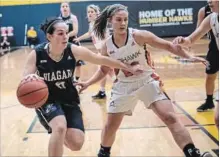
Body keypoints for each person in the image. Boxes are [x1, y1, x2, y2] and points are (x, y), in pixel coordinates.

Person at [76, 4, 212, 157]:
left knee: (170, 117)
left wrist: (188, 56)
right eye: (119, 20)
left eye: (125, 20)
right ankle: (103, 153)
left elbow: (168, 46)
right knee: (110, 126)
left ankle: (193, 153)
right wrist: (87, 84)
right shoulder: (106, 46)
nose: (122, 23)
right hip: (123, 86)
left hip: (147, 80)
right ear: (110, 21)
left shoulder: (139, 35)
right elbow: (103, 70)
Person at [21, 17, 143, 157]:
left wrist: (127, 67)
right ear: (49, 36)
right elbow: (25, 78)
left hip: (69, 98)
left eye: (66, 33)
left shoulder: (73, 50)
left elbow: (100, 59)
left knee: (76, 144)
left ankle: (56, 132)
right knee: (60, 127)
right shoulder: (37, 54)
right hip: (48, 99)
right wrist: (31, 79)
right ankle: (55, 129)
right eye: (60, 33)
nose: (65, 36)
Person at [173, 0, 219, 133]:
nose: (209, 1)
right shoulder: (211, 18)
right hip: (215, 52)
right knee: (218, 119)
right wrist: (183, 40)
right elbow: (191, 39)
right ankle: (209, 100)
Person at [74, 4, 112, 99]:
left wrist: (107, 51)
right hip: (101, 52)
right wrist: (79, 39)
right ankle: (103, 91)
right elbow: (89, 33)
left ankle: (119, 91)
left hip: (107, 52)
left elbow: (107, 37)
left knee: (109, 72)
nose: (90, 13)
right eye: (88, 12)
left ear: (97, 13)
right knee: (104, 71)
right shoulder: (92, 23)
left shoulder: (100, 23)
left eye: (92, 12)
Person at [196, 2, 219, 112]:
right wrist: (187, 41)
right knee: (210, 75)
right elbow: (198, 32)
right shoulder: (204, 11)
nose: (209, 1)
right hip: (215, 46)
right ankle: (209, 101)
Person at [60, 2, 84, 83]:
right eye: (63, 6)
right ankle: (68, 80)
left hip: (73, 42)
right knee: (65, 63)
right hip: (63, 43)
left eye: (66, 6)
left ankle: (76, 81)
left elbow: (75, 31)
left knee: (78, 64)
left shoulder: (73, 18)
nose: (65, 8)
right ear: (61, 9)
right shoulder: (59, 19)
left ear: (69, 8)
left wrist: (66, 35)